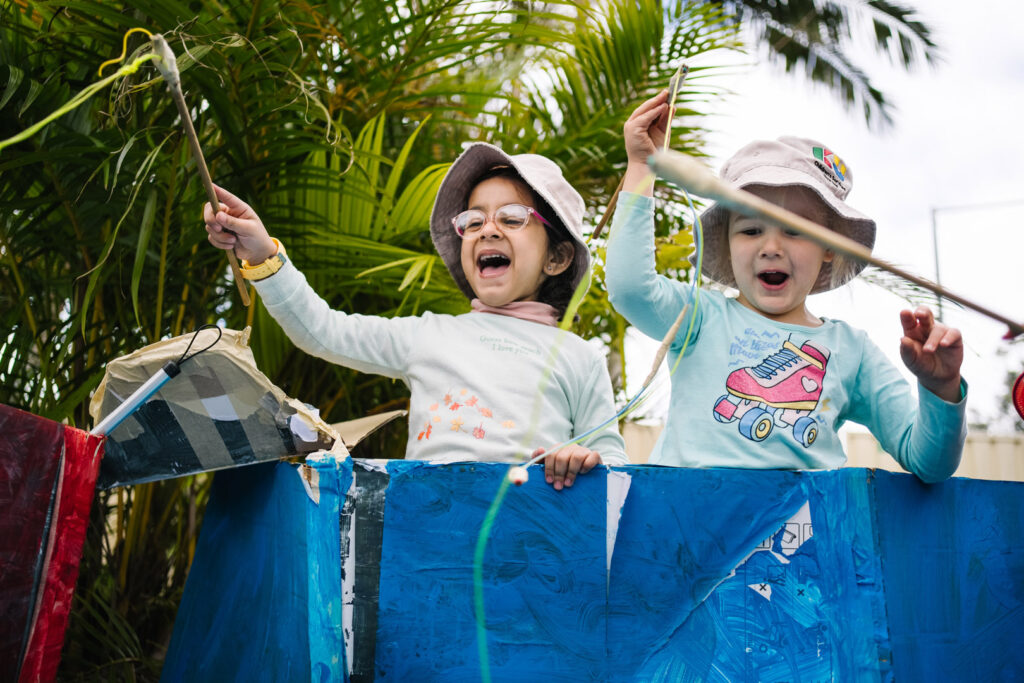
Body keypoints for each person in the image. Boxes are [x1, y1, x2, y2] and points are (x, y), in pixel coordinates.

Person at [204, 142, 627, 489]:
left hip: (534, 551)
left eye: (512, 218)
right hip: (423, 544)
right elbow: (322, 330)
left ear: (557, 257)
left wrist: (587, 462)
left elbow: (615, 472)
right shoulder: (429, 335)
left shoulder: (579, 357)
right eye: (473, 219)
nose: (488, 229)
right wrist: (263, 255)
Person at [605, 91, 966, 482]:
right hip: (688, 532)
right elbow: (629, 288)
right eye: (751, 229)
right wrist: (641, 166)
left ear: (830, 247)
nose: (771, 247)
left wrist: (940, 387)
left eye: (795, 230)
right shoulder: (700, 316)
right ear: (726, 244)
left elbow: (929, 463)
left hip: (804, 537)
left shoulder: (852, 350)